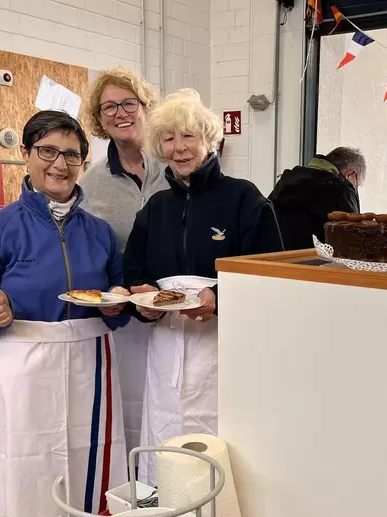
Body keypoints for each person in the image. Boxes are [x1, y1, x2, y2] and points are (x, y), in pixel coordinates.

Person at [0, 111, 129, 517]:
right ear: (25, 155)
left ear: (82, 162)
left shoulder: (100, 233)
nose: (59, 164)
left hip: (90, 365)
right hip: (20, 366)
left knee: (86, 463)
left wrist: (116, 307)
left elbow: (116, 304)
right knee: (22, 469)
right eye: (47, 151)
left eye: (72, 154)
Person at [123, 89, 283, 485]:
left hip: (221, 346)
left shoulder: (244, 199)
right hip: (165, 347)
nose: (179, 148)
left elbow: (271, 275)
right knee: (164, 434)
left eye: (189, 136)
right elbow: (133, 271)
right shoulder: (155, 207)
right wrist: (140, 299)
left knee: (216, 445)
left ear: (210, 140)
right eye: (169, 138)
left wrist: (221, 299)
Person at [79, 67, 168, 452]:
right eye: (109, 107)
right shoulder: (90, 183)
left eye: (129, 103)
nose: (120, 113)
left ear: (146, 106)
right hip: (125, 319)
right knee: (133, 412)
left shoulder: (178, 169)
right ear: (100, 121)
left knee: (174, 409)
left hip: (181, 312)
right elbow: (89, 250)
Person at [270, 147, 364, 251]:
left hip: (272, 262)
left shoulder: (285, 183)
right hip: (317, 265)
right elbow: (355, 244)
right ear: (351, 175)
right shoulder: (341, 190)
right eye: (357, 185)